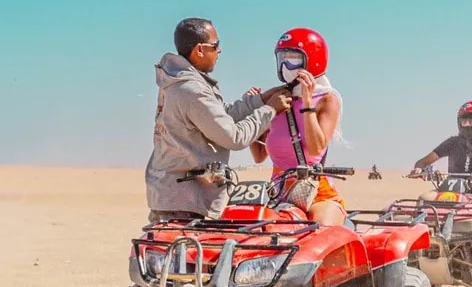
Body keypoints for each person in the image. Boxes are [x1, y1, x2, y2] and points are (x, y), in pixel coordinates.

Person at [145, 18, 293, 224]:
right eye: (215, 46)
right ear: (199, 50)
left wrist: (260, 100)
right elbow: (234, 137)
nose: (219, 51)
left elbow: (220, 116)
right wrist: (270, 110)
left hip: (170, 198)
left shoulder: (177, 82)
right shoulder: (192, 90)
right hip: (184, 204)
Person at [249, 27, 340, 226]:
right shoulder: (278, 98)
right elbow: (259, 155)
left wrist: (307, 103)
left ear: (312, 60)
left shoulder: (326, 99)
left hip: (316, 192)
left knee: (320, 231)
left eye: (292, 58)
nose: (285, 65)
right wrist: (253, 112)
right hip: (278, 192)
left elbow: (316, 148)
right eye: (282, 58)